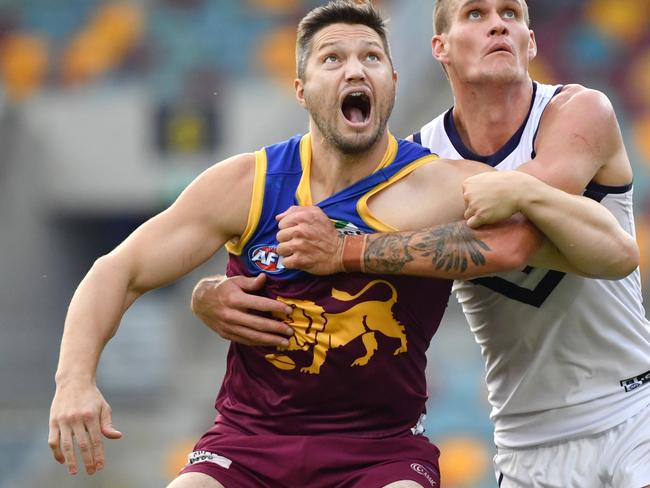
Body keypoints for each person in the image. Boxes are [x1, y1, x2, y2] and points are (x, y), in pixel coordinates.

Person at [191, 1, 650, 487]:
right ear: (440, 48)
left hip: (629, 412)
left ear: (531, 42)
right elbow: (306, 256)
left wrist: (345, 251)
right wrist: (214, 293)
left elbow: (516, 240)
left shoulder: (577, 111)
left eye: (511, 13)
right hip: (524, 434)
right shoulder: (420, 167)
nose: (497, 23)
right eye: (475, 13)